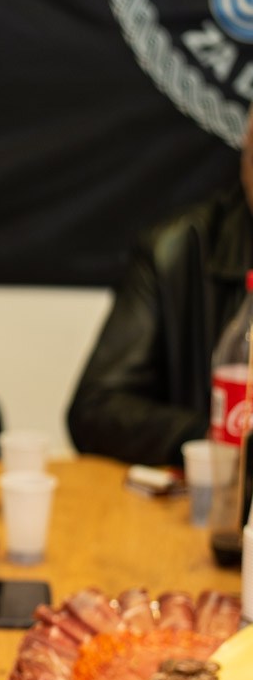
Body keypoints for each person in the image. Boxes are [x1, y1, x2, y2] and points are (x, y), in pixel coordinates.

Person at [67, 106, 253, 467]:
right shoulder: (178, 249)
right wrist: (208, 438)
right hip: (213, 493)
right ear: (245, 147)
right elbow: (96, 409)